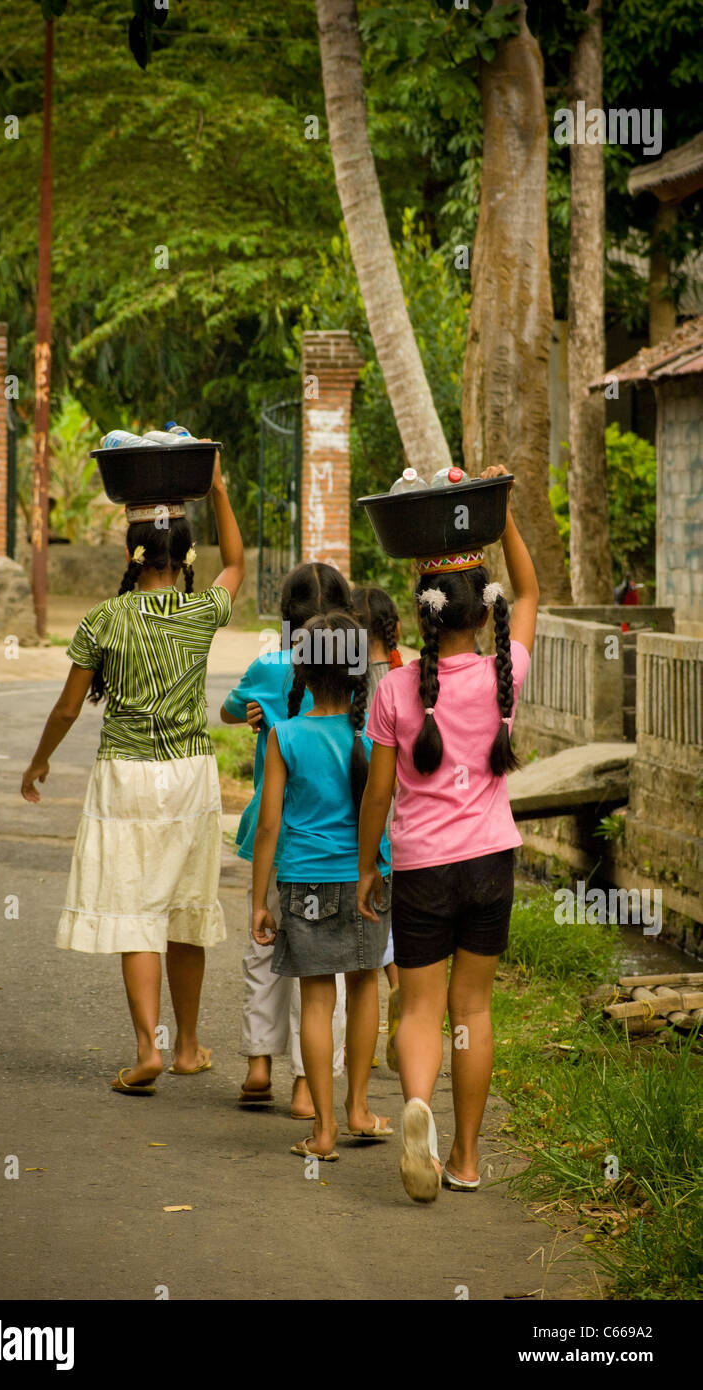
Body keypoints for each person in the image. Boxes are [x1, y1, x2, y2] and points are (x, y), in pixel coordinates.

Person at [21, 452, 244, 1095]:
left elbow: (68, 706)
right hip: (190, 775)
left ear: (132, 552)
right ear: (184, 554)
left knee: (136, 910)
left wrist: (40, 762)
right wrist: (219, 489)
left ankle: (148, 1047)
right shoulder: (203, 612)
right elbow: (236, 565)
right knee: (185, 909)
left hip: (125, 775)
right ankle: (190, 1047)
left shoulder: (103, 620)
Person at [357, 464, 539, 1201]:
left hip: (425, 867)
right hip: (493, 860)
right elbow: (529, 592)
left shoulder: (396, 689)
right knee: (474, 1010)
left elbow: (377, 793)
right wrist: (503, 518)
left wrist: (370, 865)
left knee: (422, 1008)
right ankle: (463, 1157)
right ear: (483, 611)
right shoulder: (508, 671)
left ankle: (417, 1106)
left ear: (423, 614)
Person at [252, 612, 393, 1161]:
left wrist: (260, 900)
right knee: (363, 990)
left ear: (303, 672)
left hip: (303, 880)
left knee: (316, 997)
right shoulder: (371, 737)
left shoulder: (284, 735)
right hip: (365, 879)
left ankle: (325, 1129)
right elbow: (383, 807)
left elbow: (269, 826)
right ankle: (360, 1108)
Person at [221, 563, 351, 1116]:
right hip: (334, 849)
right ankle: (308, 1086)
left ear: (285, 618)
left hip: (272, 845)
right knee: (323, 969)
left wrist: (255, 710)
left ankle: (258, 1065)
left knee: (265, 949)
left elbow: (229, 709)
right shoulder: (352, 674)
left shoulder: (269, 665)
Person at [351, 584, 402, 1065]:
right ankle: (403, 984)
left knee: (372, 904)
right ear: (397, 630)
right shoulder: (410, 673)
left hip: (366, 803)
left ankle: (389, 985)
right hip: (408, 812)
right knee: (395, 903)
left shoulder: (346, 677)